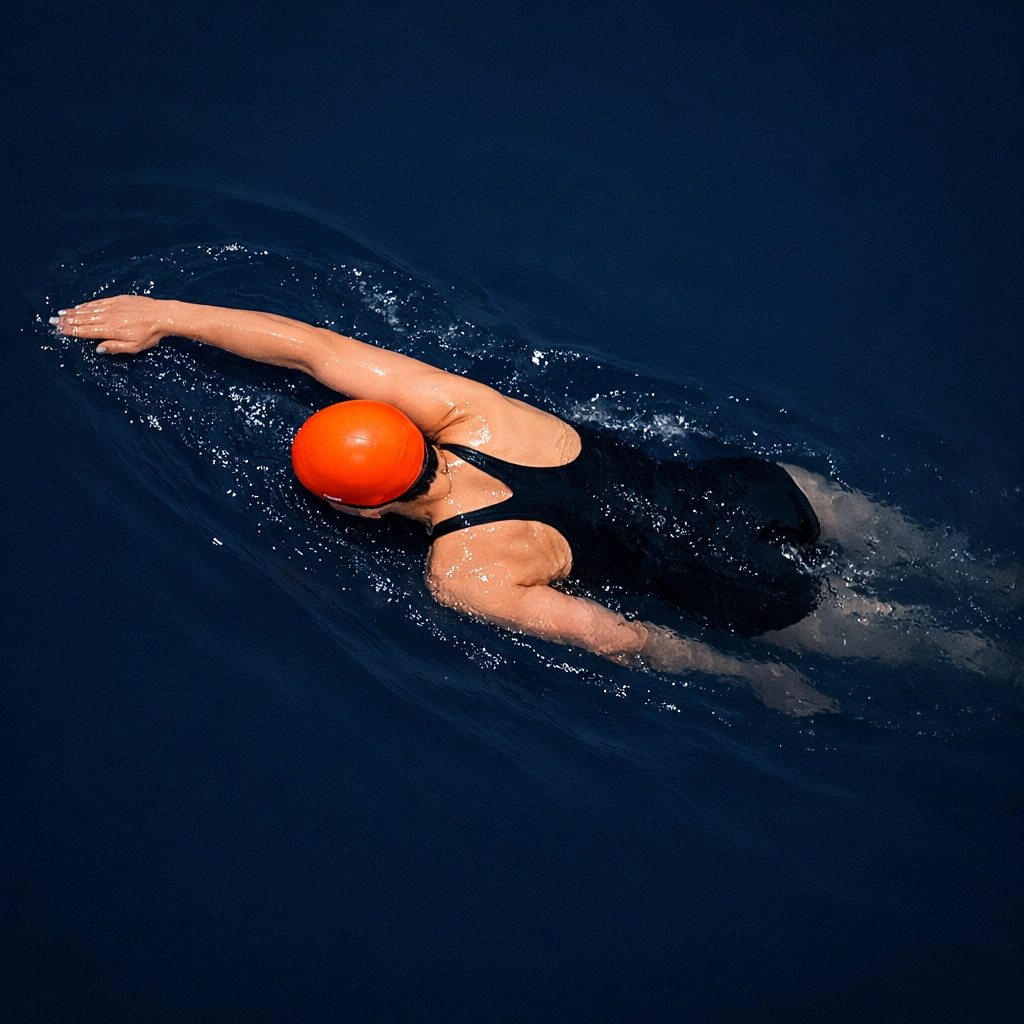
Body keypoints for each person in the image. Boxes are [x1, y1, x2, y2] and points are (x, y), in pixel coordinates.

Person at [52, 295, 1017, 715]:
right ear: (404, 432)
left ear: (354, 511)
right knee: (960, 569)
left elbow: (627, 642)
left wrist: (756, 679)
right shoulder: (474, 412)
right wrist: (170, 314)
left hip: (745, 591)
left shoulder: (469, 570)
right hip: (754, 486)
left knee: (945, 646)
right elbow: (307, 347)